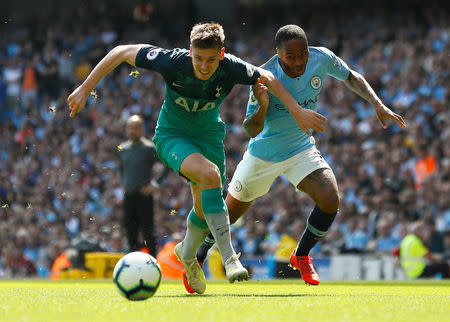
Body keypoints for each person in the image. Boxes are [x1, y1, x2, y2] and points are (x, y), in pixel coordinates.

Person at [67, 22, 328, 294]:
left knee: (204, 211)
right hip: (172, 136)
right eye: (199, 58)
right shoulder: (172, 62)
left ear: (222, 54)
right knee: (211, 175)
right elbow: (121, 51)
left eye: (212, 60)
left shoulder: (232, 68)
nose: (204, 66)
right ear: (190, 50)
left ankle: (188, 257)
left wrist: (296, 111)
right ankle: (229, 257)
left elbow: (270, 78)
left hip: (209, 138)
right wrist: (86, 88)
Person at [185, 24, 406, 291]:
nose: (299, 61)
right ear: (278, 55)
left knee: (330, 199)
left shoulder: (321, 57)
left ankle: (301, 255)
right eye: (291, 56)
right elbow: (250, 128)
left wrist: (378, 105)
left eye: (302, 53)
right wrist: (263, 106)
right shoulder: (263, 76)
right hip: (263, 155)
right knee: (227, 215)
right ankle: (197, 257)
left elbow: (351, 77)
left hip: (301, 148)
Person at [119, 114, 166, 256]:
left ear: (141, 129)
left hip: (143, 196)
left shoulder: (149, 148)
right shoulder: (123, 149)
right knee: (130, 233)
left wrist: (155, 184)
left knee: (148, 232)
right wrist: (124, 184)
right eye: (130, 128)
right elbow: (122, 169)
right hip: (128, 196)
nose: (132, 131)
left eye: (135, 128)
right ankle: (134, 266)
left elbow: (167, 165)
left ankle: (153, 263)